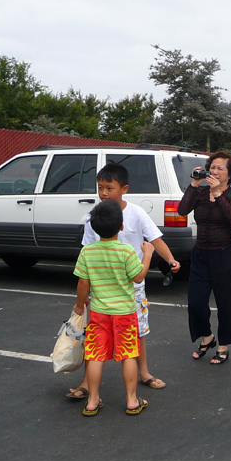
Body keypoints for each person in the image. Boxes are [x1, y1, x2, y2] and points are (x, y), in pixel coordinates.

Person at [67, 164, 181, 399]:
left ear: (124, 189)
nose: (104, 193)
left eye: (110, 187)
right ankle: (87, 383)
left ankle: (144, 373)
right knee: (95, 337)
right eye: (100, 188)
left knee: (137, 331)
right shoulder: (95, 217)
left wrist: (170, 259)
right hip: (103, 289)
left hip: (133, 288)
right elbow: (88, 252)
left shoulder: (136, 213)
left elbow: (155, 238)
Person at [73, 199, 154, 416]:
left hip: (99, 313)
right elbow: (138, 277)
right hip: (125, 314)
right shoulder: (126, 251)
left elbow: (83, 283)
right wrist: (147, 254)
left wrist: (80, 305)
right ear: (121, 226)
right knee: (128, 353)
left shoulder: (87, 253)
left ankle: (92, 401)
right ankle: (131, 400)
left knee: (96, 355)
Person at [178, 151, 231, 365]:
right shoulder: (201, 191)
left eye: (220, 168)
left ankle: (223, 344)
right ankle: (207, 337)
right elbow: (182, 210)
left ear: (229, 173)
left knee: (227, 302)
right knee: (196, 302)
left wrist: (217, 193)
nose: (214, 171)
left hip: (226, 254)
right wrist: (195, 184)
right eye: (212, 167)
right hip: (201, 253)